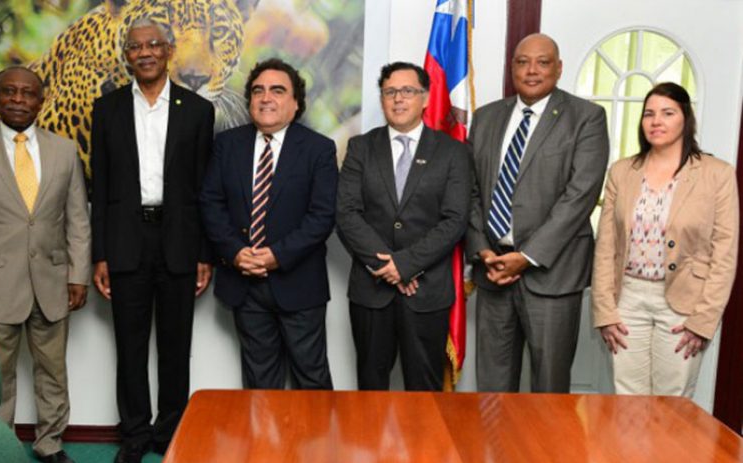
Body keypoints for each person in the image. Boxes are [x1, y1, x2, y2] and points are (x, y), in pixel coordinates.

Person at [0, 66, 90, 463]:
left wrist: (77, 275)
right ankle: (0, 449)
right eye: (9, 92)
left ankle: (50, 444)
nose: (18, 100)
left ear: (41, 101)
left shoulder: (63, 151)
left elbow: (77, 219)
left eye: (28, 94)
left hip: (52, 283)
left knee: (52, 371)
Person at [90, 17, 214, 463]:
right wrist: (99, 253)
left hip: (179, 240)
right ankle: (135, 437)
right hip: (125, 241)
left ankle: (169, 435)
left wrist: (205, 253)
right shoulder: (107, 110)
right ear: (126, 55)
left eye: (152, 45)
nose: (144, 53)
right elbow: (98, 187)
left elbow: (204, 188)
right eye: (135, 46)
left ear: (168, 50)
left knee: (175, 346)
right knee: (129, 345)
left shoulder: (198, 111)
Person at [466, 33, 610, 392]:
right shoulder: (485, 118)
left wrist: (527, 257)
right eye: (522, 61)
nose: (531, 70)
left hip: (553, 275)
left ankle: (545, 453)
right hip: (493, 271)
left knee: (548, 390)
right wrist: (483, 249)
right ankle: (495, 451)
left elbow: (580, 196)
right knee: (493, 390)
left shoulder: (586, 118)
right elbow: (468, 190)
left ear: (558, 68)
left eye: (542, 62)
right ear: (511, 67)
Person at [592, 82, 739, 397]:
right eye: (649, 114)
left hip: (686, 303)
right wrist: (605, 311)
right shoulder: (621, 172)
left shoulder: (718, 174)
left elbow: (724, 255)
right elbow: (606, 247)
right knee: (627, 401)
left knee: (672, 405)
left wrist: (703, 320)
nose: (656, 121)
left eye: (667, 113)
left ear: (686, 118)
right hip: (627, 300)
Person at [200, 58, 337, 390]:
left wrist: (276, 255)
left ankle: (318, 445)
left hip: (298, 282)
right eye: (258, 90)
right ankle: (265, 445)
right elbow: (211, 203)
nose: (266, 98)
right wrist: (235, 252)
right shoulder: (227, 145)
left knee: (311, 379)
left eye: (278, 90)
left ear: (295, 103)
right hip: (244, 282)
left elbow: (322, 216)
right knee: (260, 382)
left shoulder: (318, 149)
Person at [336, 62, 471, 390]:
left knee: (423, 391)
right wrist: (389, 266)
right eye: (390, 92)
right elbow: (346, 213)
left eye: (408, 91)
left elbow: (455, 219)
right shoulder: (361, 148)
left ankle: (423, 446)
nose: (398, 99)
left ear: (425, 98)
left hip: (427, 293)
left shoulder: (453, 151)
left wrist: (407, 265)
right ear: (382, 99)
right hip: (372, 292)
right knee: (370, 387)